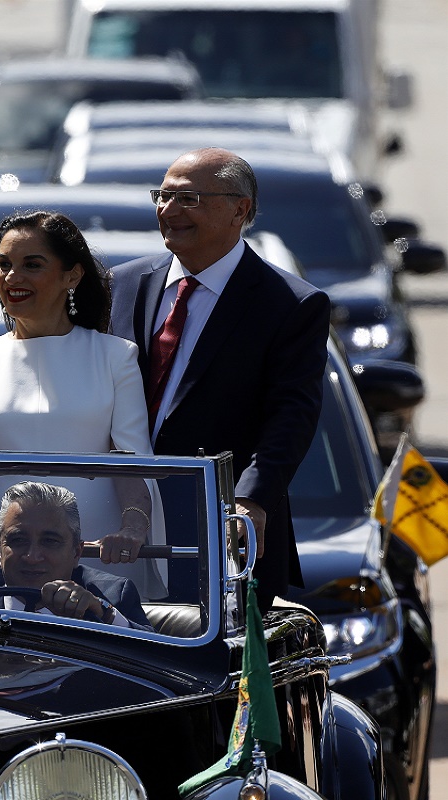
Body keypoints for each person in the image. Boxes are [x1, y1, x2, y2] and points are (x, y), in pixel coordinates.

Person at [109, 148, 330, 610]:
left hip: (216, 532)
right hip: (116, 527)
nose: (168, 211)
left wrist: (250, 502)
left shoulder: (289, 304)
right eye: (162, 197)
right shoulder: (123, 285)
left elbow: (291, 416)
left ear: (239, 209)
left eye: (188, 199)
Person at [0, 210, 165, 598]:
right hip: (1, 557)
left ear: (71, 276)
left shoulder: (116, 356)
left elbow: (131, 459)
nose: (12, 278)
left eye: (32, 265)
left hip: (99, 555)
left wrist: (133, 528)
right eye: (3, 265)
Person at [0, 482, 152, 630]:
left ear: (76, 552)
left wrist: (103, 614)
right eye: (18, 540)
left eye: (50, 541)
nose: (32, 556)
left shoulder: (112, 595)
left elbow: (158, 660)